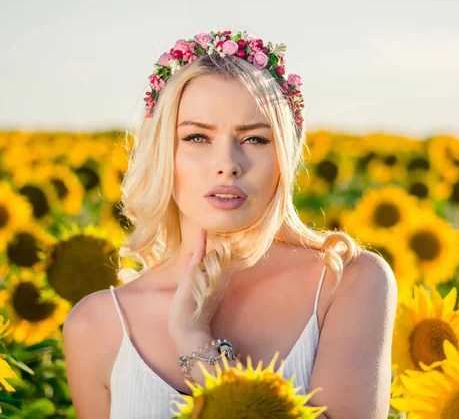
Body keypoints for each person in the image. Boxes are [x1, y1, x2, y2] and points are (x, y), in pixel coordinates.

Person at [62, 29, 398, 418]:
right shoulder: (95, 325)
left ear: (284, 156)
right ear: (162, 152)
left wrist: (197, 347)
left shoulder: (345, 282)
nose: (228, 163)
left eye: (255, 139)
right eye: (196, 137)